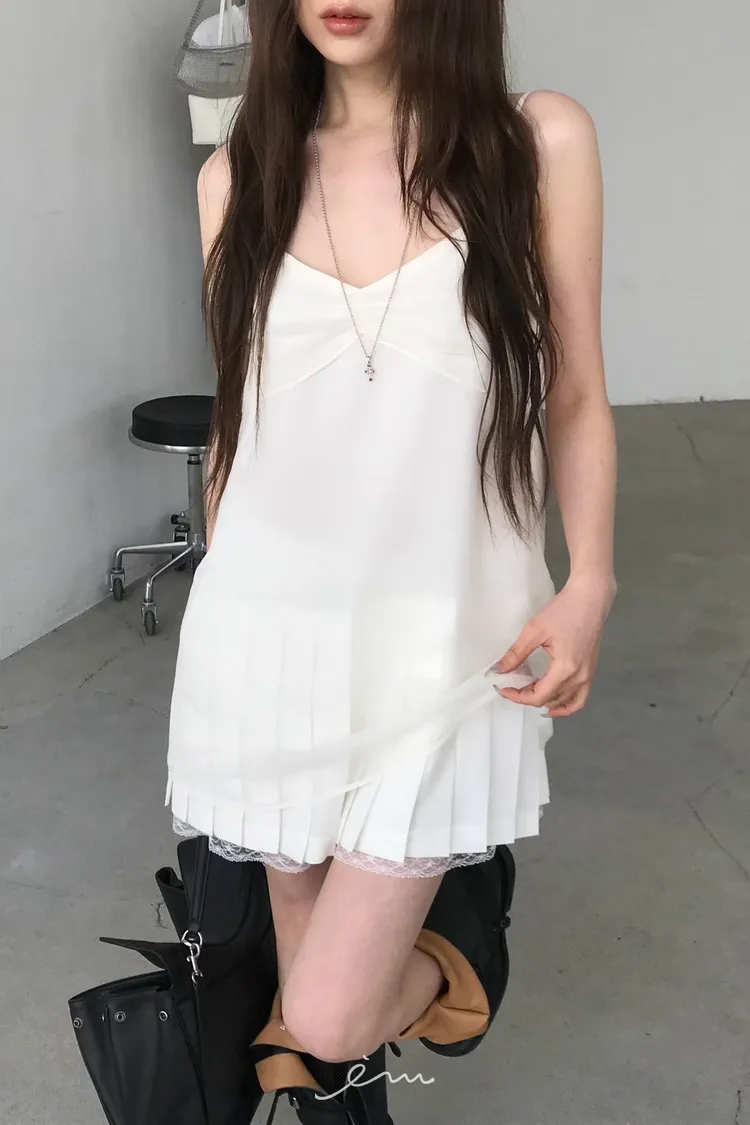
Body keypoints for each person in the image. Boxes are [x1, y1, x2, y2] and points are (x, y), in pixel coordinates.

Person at [166, 0, 617, 1115]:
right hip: (269, 639)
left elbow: (574, 394)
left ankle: (464, 953)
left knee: (328, 1014)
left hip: (443, 643)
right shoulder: (238, 178)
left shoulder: (535, 141)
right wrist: (220, 589)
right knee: (307, 1052)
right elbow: (241, 417)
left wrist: (591, 581)